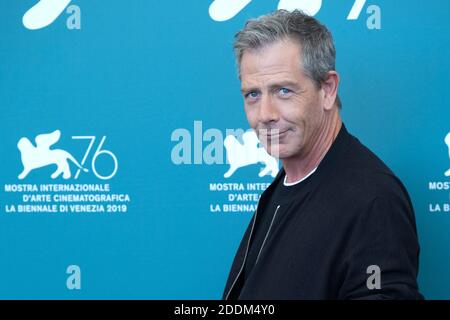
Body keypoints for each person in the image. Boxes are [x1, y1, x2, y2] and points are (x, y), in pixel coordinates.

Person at [222, 9, 423, 300]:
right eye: (253, 94)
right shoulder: (286, 184)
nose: (265, 114)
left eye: (283, 91)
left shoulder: (372, 200)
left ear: (327, 89)